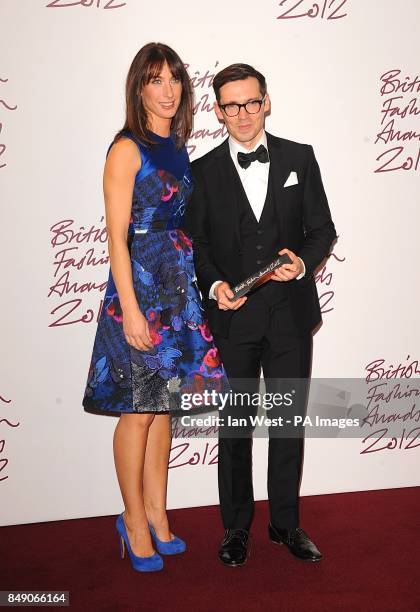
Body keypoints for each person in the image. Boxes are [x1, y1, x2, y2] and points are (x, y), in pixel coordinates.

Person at [185, 63, 337, 566]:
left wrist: (303, 262)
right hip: (233, 321)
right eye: (232, 105)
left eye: (252, 102)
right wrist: (215, 283)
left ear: (266, 101)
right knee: (235, 427)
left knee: (289, 422)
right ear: (218, 111)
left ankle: (285, 525)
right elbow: (198, 243)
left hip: (291, 317)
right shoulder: (203, 171)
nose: (244, 114)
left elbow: (322, 230)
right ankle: (235, 529)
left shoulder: (300, 157)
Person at [82, 43, 226, 573]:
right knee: (138, 412)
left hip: (177, 285)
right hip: (138, 290)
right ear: (138, 88)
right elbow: (116, 239)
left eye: (174, 81)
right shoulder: (126, 149)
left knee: (163, 409)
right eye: (155, 80)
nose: (168, 91)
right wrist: (132, 310)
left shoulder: (178, 145)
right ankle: (132, 520)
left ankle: (157, 515)